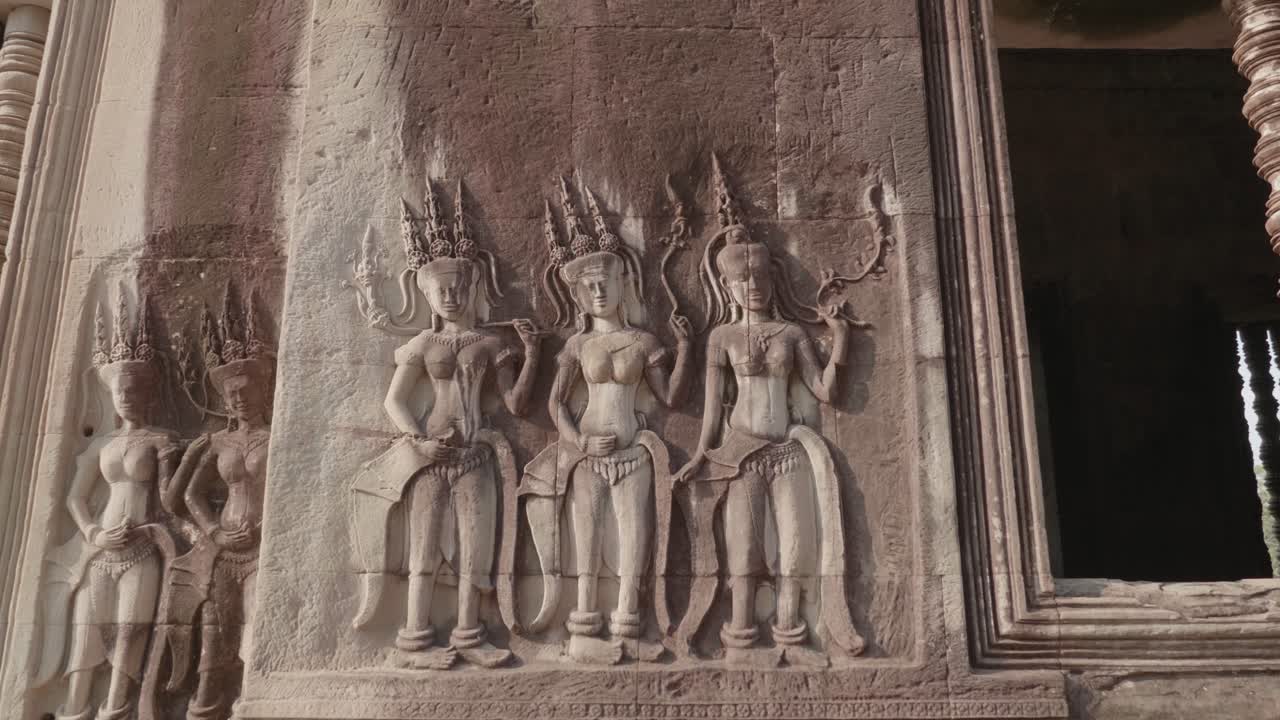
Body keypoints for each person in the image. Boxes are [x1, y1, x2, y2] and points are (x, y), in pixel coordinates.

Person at [351, 181, 540, 670]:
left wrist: (534, 356)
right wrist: (417, 441)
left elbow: (516, 404)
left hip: (477, 456)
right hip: (430, 458)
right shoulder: (421, 346)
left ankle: (469, 632)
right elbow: (395, 401)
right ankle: (414, 637)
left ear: (472, 286)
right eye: (441, 289)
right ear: (426, 292)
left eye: (459, 287)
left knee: (476, 550)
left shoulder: (486, 343)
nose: (452, 296)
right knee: (425, 549)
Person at [518, 179, 691, 664]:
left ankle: (629, 627)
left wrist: (688, 350)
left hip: (634, 453)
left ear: (621, 285)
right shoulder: (577, 346)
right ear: (576, 294)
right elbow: (557, 404)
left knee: (635, 538)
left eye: (605, 283)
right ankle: (584, 629)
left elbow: (673, 397)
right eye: (587, 286)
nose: (597, 291)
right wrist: (576, 442)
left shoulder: (642, 342)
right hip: (587, 454)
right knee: (587, 541)